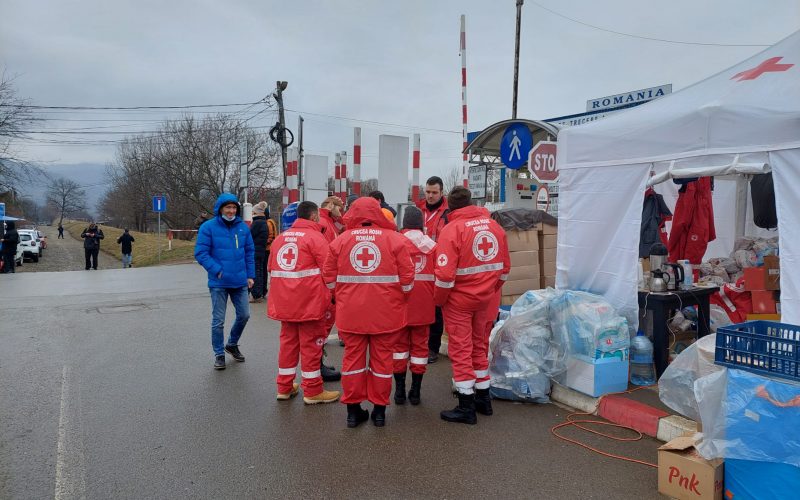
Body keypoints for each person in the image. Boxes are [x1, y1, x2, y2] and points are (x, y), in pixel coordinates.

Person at [322, 197, 414, 428]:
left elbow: (328, 277)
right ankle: (379, 412)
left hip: (350, 314)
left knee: (352, 361)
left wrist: (339, 296)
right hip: (386, 315)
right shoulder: (395, 240)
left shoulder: (340, 241)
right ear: (378, 213)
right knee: (383, 362)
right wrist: (399, 298)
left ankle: (353, 413)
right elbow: (408, 279)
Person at [434, 186, 510, 424]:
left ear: (451, 206)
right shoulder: (495, 227)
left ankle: (466, 405)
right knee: (479, 346)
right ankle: (483, 400)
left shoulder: (451, 230)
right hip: (486, 299)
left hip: (459, 301)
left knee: (461, 350)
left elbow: (445, 277)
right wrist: (489, 291)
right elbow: (505, 270)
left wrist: (439, 302)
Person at [268, 201, 340, 404]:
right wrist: (334, 295)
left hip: (284, 304)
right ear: (315, 216)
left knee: (288, 344)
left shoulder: (280, 239)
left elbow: (271, 269)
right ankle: (313, 391)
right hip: (309, 303)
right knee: (311, 345)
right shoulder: (316, 239)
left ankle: (284, 387)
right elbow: (329, 271)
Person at [194, 193, 255, 370]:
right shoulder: (208, 227)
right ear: (220, 208)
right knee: (218, 321)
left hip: (240, 281)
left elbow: (249, 252)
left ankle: (232, 344)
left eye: (234, 208)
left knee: (244, 315)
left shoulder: (243, 228)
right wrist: (217, 270)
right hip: (219, 282)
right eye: (228, 207)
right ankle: (219, 354)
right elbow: (201, 253)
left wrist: (250, 275)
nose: (231, 211)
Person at [392, 206, 436, 405]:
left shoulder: (394, 243)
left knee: (399, 349)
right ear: (421, 224)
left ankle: (399, 392)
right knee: (420, 349)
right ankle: (416, 392)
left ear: (404, 224)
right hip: (424, 307)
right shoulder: (432, 246)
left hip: (399, 306)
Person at [415, 176, 450, 363]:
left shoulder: (448, 213)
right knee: (418, 307)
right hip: (419, 267)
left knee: (436, 311)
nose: (430, 196)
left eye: (434, 192)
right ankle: (417, 345)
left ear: (441, 192)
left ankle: (432, 348)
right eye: (427, 192)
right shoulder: (417, 210)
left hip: (439, 266)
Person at [249, 202, 269, 303]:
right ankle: (260, 292)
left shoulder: (257, 223)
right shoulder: (264, 222)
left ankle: (256, 294)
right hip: (261, 251)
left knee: (256, 273)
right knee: (260, 272)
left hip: (255, 251)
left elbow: (249, 236)